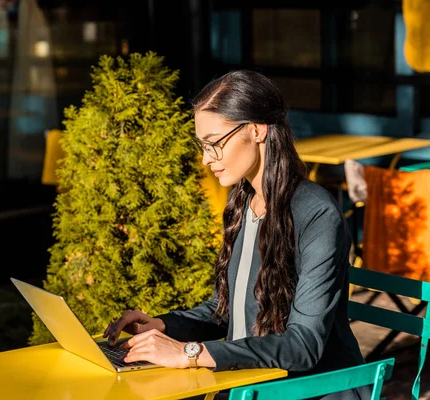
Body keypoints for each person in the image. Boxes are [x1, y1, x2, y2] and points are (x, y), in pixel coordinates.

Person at [103, 70, 368, 399]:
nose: (205, 159)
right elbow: (225, 308)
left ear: (257, 130)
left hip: (310, 390)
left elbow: (303, 346)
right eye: (202, 146)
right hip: (249, 384)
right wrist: (163, 326)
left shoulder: (316, 214)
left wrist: (190, 354)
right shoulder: (244, 202)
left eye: (214, 144)